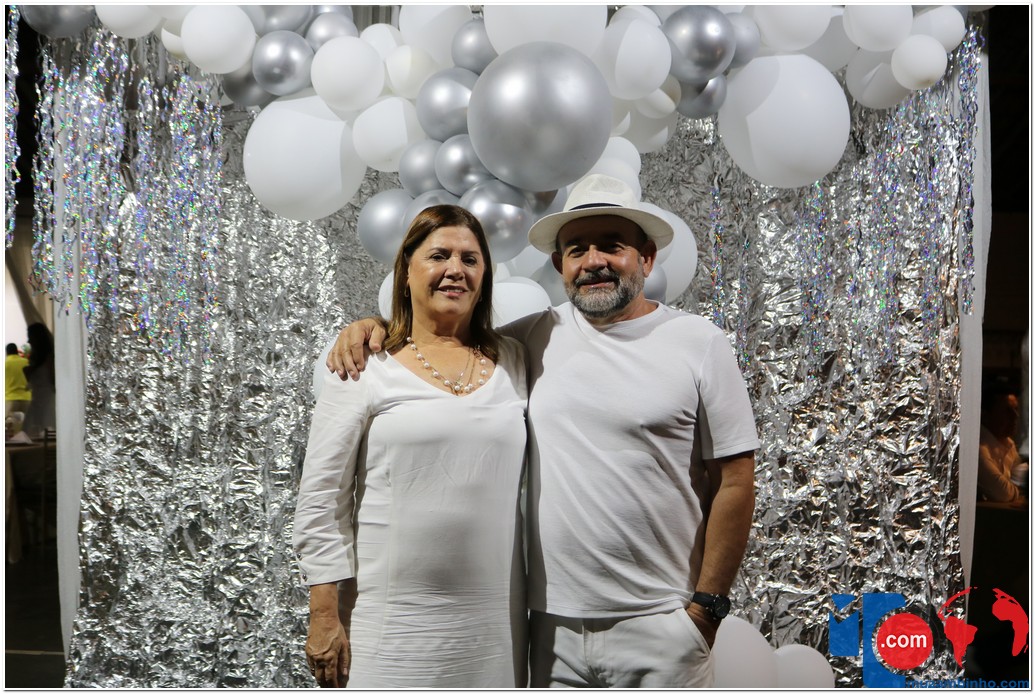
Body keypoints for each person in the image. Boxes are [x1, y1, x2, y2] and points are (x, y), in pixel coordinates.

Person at [329, 175, 759, 687]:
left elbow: (736, 479)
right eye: (577, 249)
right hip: (550, 633)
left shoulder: (699, 342)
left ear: (646, 258)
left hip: (660, 623)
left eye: (612, 246)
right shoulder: (529, 340)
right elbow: (443, 339)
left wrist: (707, 609)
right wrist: (374, 327)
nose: (594, 261)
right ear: (559, 265)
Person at [293, 205, 529, 688]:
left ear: (485, 275)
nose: (455, 270)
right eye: (439, 256)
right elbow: (321, 499)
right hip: (390, 628)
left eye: (470, 259)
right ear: (405, 272)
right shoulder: (365, 365)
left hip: (495, 631)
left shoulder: (516, 360)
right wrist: (324, 615)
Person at [977, 376, 1026, 505]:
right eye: (1008, 411)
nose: (1016, 416)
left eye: (1016, 409)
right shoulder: (977, 448)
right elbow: (1003, 492)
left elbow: (1022, 476)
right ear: (985, 415)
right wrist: (1021, 488)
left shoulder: (1008, 443)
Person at [22, 323, 55, 437]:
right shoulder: (35, 359)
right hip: (35, 401)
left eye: (30, 337)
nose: (29, 341)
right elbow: (32, 383)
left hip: (48, 402)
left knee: (47, 432)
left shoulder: (50, 358)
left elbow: (53, 381)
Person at [5, 343, 31, 417]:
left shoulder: (5, 364)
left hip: (11, 400)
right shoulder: (26, 362)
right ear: (16, 351)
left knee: (7, 421)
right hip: (26, 399)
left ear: (7, 352)